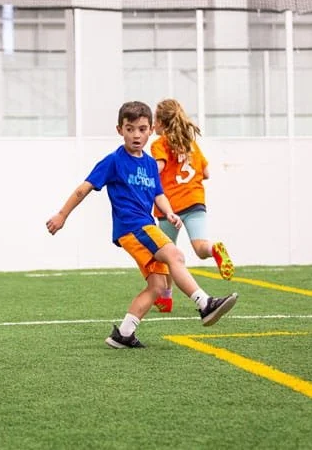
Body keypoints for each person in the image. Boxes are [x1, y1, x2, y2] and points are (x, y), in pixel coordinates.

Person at [46, 101, 238, 349]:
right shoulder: (114, 161)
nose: (136, 135)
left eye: (142, 129)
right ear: (120, 130)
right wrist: (62, 216)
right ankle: (205, 304)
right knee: (175, 254)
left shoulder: (149, 163)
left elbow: (158, 194)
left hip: (146, 226)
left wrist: (169, 213)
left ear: (151, 130)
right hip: (133, 227)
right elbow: (83, 189)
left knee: (157, 286)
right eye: (130, 129)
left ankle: (123, 334)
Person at [150, 99, 234, 313]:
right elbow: (205, 172)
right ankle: (214, 249)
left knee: (168, 253)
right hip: (195, 201)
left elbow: (158, 168)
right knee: (200, 247)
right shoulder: (189, 143)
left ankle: (167, 299)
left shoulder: (159, 144)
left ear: (159, 122)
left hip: (170, 207)